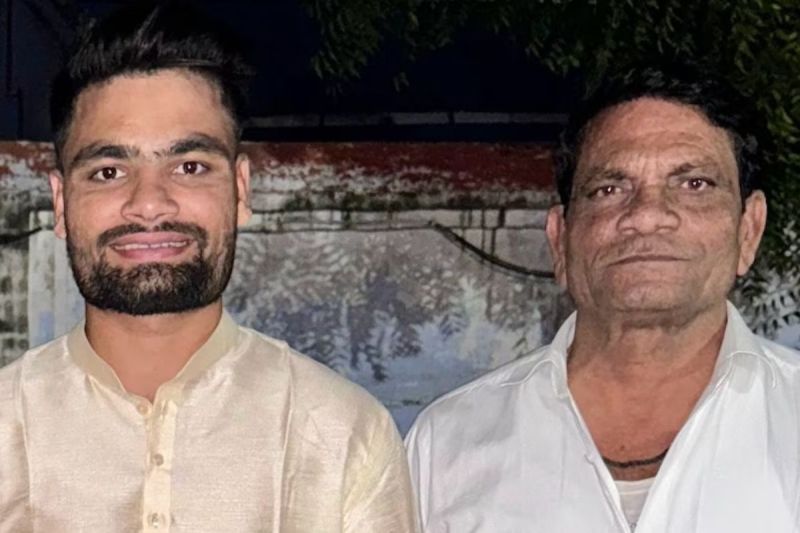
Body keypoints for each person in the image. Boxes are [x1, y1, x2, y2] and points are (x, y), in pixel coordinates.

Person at [0, 2, 416, 531]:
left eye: (190, 166)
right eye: (108, 171)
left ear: (240, 190)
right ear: (61, 203)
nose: (149, 204)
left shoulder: (344, 436)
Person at [405, 63, 800, 532]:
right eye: (609, 189)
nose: (647, 215)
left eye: (694, 184)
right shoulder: (447, 444)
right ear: (560, 239)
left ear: (749, 229)